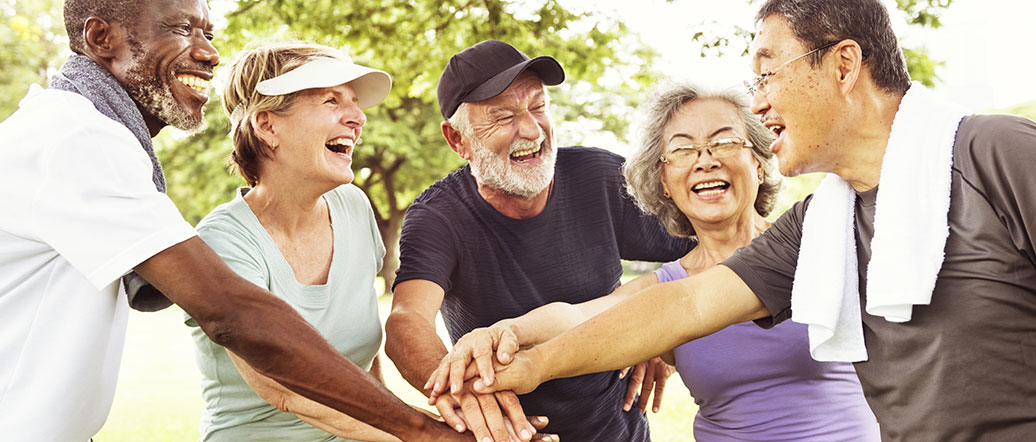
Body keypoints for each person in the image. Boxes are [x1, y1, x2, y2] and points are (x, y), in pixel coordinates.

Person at [462, 1, 1036, 441]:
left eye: (768, 73)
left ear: (843, 64)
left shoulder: (993, 152)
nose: (759, 102)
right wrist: (526, 362)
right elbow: (683, 305)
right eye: (682, 150)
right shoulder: (823, 227)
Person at [0, 1, 472, 440]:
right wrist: (425, 432)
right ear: (102, 38)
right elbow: (233, 314)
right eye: (182, 28)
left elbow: (359, 365)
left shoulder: (91, 138)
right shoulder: (76, 138)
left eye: (208, 31)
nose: (208, 52)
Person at [428, 83, 880, 441]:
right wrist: (499, 334)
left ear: (759, 163)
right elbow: (578, 316)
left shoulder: (817, 243)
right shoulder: (667, 289)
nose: (704, 161)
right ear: (664, 182)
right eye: (683, 150)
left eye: (723, 141)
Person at [384, 39, 695, 442]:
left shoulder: (599, 177)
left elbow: (714, 248)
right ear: (457, 140)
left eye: (538, 106)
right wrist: (461, 391)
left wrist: (663, 331)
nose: (531, 129)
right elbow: (407, 320)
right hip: (512, 434)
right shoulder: (438, 215)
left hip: (619, 431)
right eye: (503, 117)